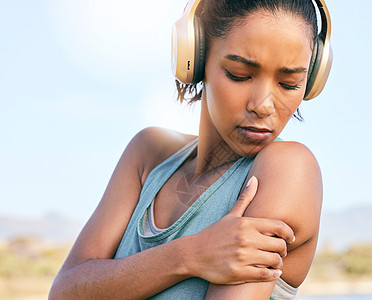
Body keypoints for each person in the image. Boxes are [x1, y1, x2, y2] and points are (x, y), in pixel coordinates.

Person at [49, 0, 332, 299]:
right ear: (195, 59)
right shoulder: (148, 155)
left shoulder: (287, 168)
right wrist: (191, 255)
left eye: (289, 83)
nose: (262, 106)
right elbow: (65, 291)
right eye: (239, 74)